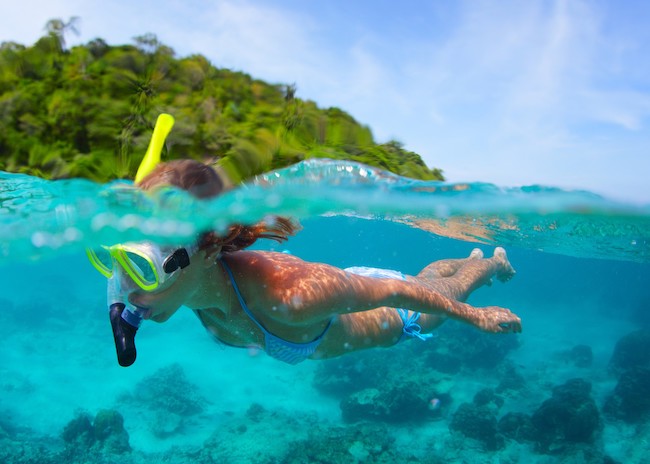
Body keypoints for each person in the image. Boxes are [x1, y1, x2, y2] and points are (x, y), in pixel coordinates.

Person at [89, 159, 521, 366]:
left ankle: (489, 265)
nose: (127, 288)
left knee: (443, 291)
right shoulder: (181, 282)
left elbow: (395, 291)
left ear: (205, 251)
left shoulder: (288, 297)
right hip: (345, 295)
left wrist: (476, 317)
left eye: (142, 267)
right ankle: (476, 254)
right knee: (427, 276)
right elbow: (122, 279)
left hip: (390, 313)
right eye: (117, 262)